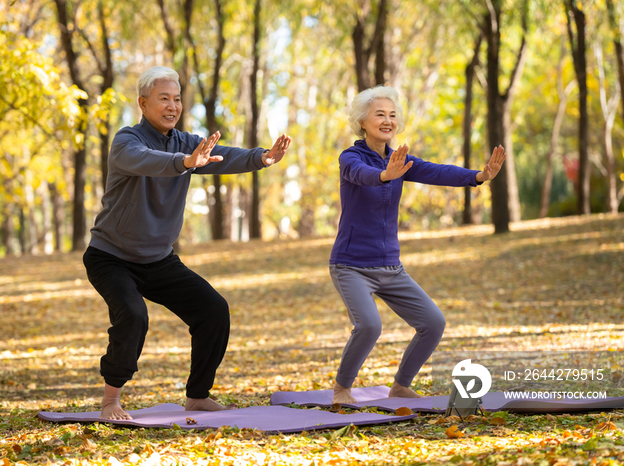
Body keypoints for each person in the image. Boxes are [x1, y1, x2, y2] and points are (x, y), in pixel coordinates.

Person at [83, 66, 291, 419]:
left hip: (159, 260)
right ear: (143, 103)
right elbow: (146, 161)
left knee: (213, 310)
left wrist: (262, 157)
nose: (172, 106)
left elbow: (224, 154)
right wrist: (185, 162)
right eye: (163, 98)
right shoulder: (126, 141)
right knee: (133, 316)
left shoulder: (186, 142)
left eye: (177, 99)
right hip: (111, 257)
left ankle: (197, 395)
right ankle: (110, 401)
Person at [329, 85, 505, 404]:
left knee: (433, 322)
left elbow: (438, 172)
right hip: (351, 265)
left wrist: (478, 176)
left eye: (392, 115)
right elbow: (361, 175)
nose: (387, 120)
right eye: (379, 114)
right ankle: (342, 388)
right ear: (362, 122)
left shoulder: (400, 160)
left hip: (390, 267)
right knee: (369, 325)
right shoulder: (350, 157)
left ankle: (400, 385)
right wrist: (385, 175)